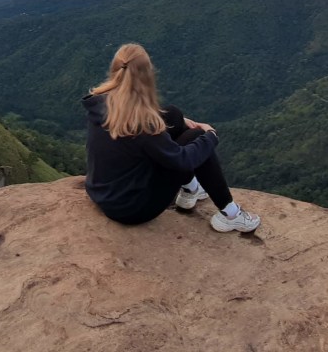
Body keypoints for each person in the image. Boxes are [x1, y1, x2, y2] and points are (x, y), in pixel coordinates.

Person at [83, 43, 261, 233]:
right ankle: (231, 214)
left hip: (105, 193)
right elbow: (182, 160)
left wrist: (174, 120)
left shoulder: (101, 101)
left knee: (172, 115)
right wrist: (210, 136)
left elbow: (148, 126)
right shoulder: (143, 124)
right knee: (197, 137)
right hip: (133, 209)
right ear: (147, 75)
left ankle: (190, 190)